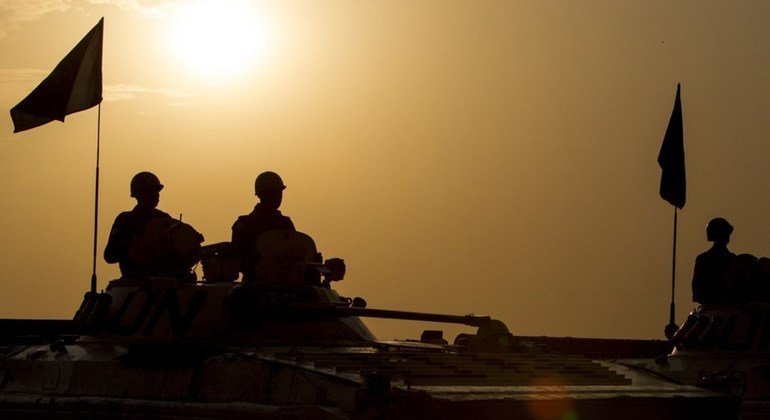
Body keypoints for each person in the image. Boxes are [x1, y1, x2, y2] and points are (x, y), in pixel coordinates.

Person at [105, 171, 201, 279]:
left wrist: (190, 242)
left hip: (164, 281)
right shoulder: (126, 220)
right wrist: (134, 241)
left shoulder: (164, 219)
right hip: (135, 281)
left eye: (157, 191)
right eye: (151, 192)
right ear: (139, 195)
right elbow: (109, 256)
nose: (156, 195)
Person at [231, 171, 296, 282]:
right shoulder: (245, 224)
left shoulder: (285, 223)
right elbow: (238, 258)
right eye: (272, 193)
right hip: (254, 286)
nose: (277, 197)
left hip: (285, 283)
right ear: (261, 195)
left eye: (279, 193)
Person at [692, 217, 736, 304]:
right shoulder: (703, 259)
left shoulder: (733, 259)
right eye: (725, 234)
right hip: (711, 307)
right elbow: (697, 290)